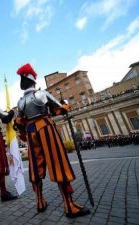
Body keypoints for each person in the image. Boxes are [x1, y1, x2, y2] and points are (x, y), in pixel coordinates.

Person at [14, 63, 90, 217]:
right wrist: (65, 106)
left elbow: (19, 123)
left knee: (36, 167)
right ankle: (69, 205)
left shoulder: (20, 102)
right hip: (45, 127)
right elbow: (58, 110)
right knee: (58, 163)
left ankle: (40, 201)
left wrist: (24, 134)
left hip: (30, 132)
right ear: (33, 80)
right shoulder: (42, 94)